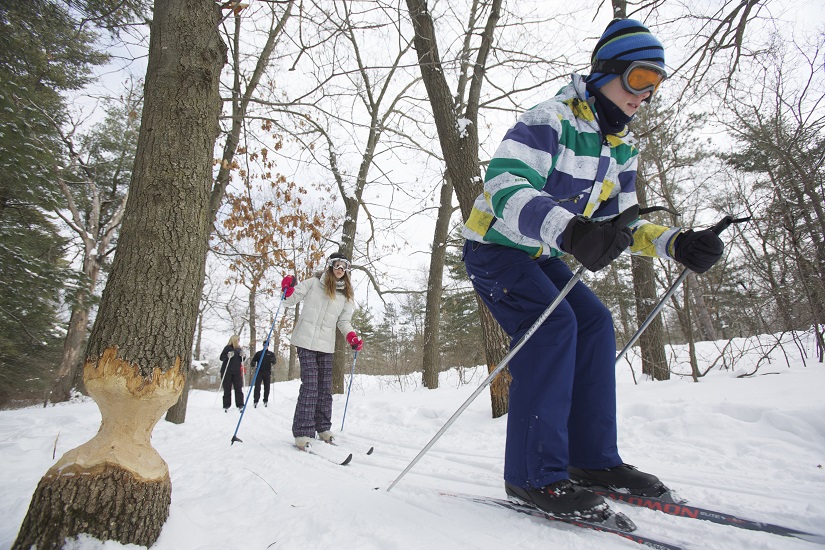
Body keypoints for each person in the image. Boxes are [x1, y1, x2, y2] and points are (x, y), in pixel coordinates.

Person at [461, 18, 724, 520]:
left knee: (595, 322)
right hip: (493, 247)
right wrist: (572, 231)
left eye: (657, 86)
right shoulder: (550, 118)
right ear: (606, 70)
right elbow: (503, 186)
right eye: (641, 78)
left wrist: (677, 243)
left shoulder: (621, 146)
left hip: (539, 252)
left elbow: (621, 222)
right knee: (553, 326)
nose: (646, 95)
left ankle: (593, 462)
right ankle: (533, 475)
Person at [281, 252, 363, 450]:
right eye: (337, 265)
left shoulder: (346, 296)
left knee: (324, 388)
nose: (340, 269)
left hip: (326, 346)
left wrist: (351, 336)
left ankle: (323, 428)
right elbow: (288, 300)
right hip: (305, 341)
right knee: (310, 385)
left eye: (344, 267)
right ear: (330, 265)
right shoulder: (313, 284)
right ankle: (302, 432)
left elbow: (344, 321)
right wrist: (287, 288)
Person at [220, 335, 246, 412]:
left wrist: (243, 356)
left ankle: (240, 404)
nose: (238, 341)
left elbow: (242, 359)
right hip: (227, 371)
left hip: (236, 371)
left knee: (238, 388)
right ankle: (226, 405)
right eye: (238, 340)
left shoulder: (239, 349)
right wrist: (228, 355)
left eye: (239, 340)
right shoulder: (227, 348)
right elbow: (221, 357)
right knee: (227, 388)